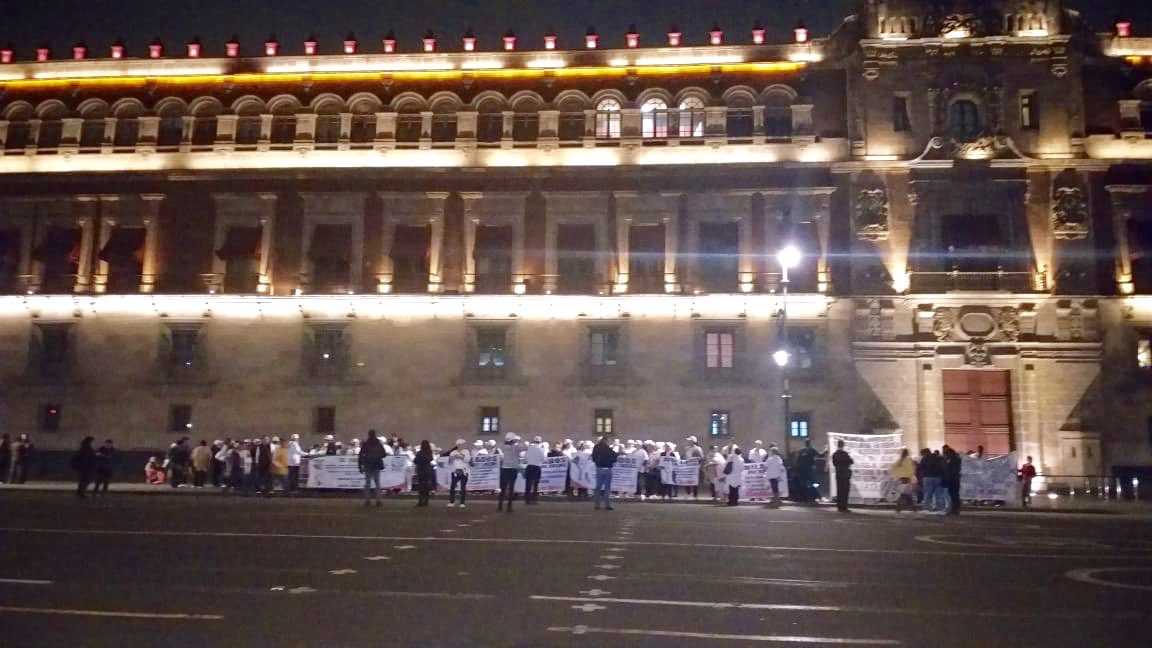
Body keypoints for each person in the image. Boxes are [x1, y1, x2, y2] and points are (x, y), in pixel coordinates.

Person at [359, 430, 386, 507]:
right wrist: (377, 457)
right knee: (377, 483)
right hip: (376, 465)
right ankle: (378, 500)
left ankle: (367, 500)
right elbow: (383, 454)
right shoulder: (378, 444)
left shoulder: (366, 444)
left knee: (367, 483)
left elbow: (361, 455)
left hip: (368, 465)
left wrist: (360, 465)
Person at [591, 435, 617, 511]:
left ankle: (597, 505)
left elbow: (593, 457)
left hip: (599, 468)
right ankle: (607, 504)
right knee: (607, 487)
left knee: (598, 487)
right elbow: (614, 457)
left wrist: (598, 462)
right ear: (606, 440)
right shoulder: (608, 449)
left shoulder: (596, 447)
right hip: (608, 468)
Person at [497, 433, 522, 512]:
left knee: (503, 488)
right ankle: (509, 507)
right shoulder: (516, 447)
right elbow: (525, 447)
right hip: (512, 469)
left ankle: (500, 506)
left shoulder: (503, 447)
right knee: (511, 488)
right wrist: (519, 439)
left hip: (504, 469)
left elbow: (500, 445)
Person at [890, 448, 917, 513]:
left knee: (905, 494)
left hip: (900, 479)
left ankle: (900, 508)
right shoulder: (909, 460)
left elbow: (893, 469)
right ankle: (908, 508)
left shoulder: (899, 461)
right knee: (906, 494)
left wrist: (897, 476)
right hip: (907, 479)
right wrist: (911, 476)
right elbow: (912, 470)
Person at [447, 439, 471, 508]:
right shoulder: (453, 452)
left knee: (463, 487)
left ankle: (462, 503)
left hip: (464, 471)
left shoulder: (466, 451)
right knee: (452, 487)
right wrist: (453, 457)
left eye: (463, 445)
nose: (462, 446)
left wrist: (460, 456)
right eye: (460, 445)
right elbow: (449, 462)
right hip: (455, 471)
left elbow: (467, 460)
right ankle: (451, 502)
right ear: (457, 445)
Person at [918, 449, 942, 513]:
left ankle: (927, 508)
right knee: (938, 494)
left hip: (927, 477)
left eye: (922, 454)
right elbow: (942, 467)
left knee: (927, 494)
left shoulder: (924, 458)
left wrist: (921, 477)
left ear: (925, 453)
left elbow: (921, 468)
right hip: (938, 477)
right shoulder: (938, 457)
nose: (922, 455)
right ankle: (939, 508)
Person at [832, 440, 853, 513]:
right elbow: (851, 461)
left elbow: (834, 464)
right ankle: (844, 507)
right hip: (845, 474)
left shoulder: (834, 454)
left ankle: (839, 507)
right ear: (843, 445)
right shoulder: (845, 454)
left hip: (838, 474)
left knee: (839, 490)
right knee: (845, 491)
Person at [523, 436, 546, 505]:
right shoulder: (541, 449)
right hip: (537, 467)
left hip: (529, 466)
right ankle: (534, 499)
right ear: (540, 442)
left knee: (528, 484)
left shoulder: (529, 448)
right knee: (535, 484)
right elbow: (543, 459)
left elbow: (525, 458)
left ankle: (527, 499)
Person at [941, 445, 962, 516]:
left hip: (953, 479)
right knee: (954, 495)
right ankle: (955, 509)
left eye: (946, 454)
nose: (945, 455)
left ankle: (955, 509)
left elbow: (951, 470)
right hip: (954, 479)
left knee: (953, 495)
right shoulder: (956, 459)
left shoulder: (953, 460)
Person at [414, 440, 435, 507]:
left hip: (421, 470)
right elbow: (431, 459)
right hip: (427, 470)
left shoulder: (419, 452)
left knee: (421, 487)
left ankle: (420, 501)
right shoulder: (429, 452)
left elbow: (415, 461)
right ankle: (426, 501)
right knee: (426, 487)